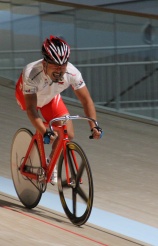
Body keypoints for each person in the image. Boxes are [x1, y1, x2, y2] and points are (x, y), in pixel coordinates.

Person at [15, 35, 103, 184]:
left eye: (63, 65)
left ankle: (50, 161)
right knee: (46, 130)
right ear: (45, 62)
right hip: (29, 98)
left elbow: (86, 100)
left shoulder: (72, 73)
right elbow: (31, 110)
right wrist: (44, 131)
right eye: (55, 65)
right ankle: (39, 146)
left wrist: (94, 125)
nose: (59, 69)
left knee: (68, 133)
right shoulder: (31, 73)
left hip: (50, 98)